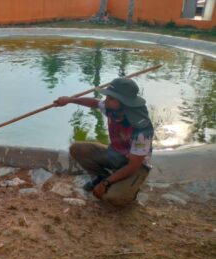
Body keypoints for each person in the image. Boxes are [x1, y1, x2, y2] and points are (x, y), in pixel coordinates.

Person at [54, 78, 154, 206]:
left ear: (124, 102)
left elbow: (133, 166)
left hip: (135, 166)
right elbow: (95, 103)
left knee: (113, 198)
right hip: (115, 154)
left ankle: (122, 186)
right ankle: (102, 176)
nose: (106, 101)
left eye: (111, 98)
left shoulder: (141, 129)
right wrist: (70, 100)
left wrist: (106, 184)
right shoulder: (113, 109)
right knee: (77, 149)